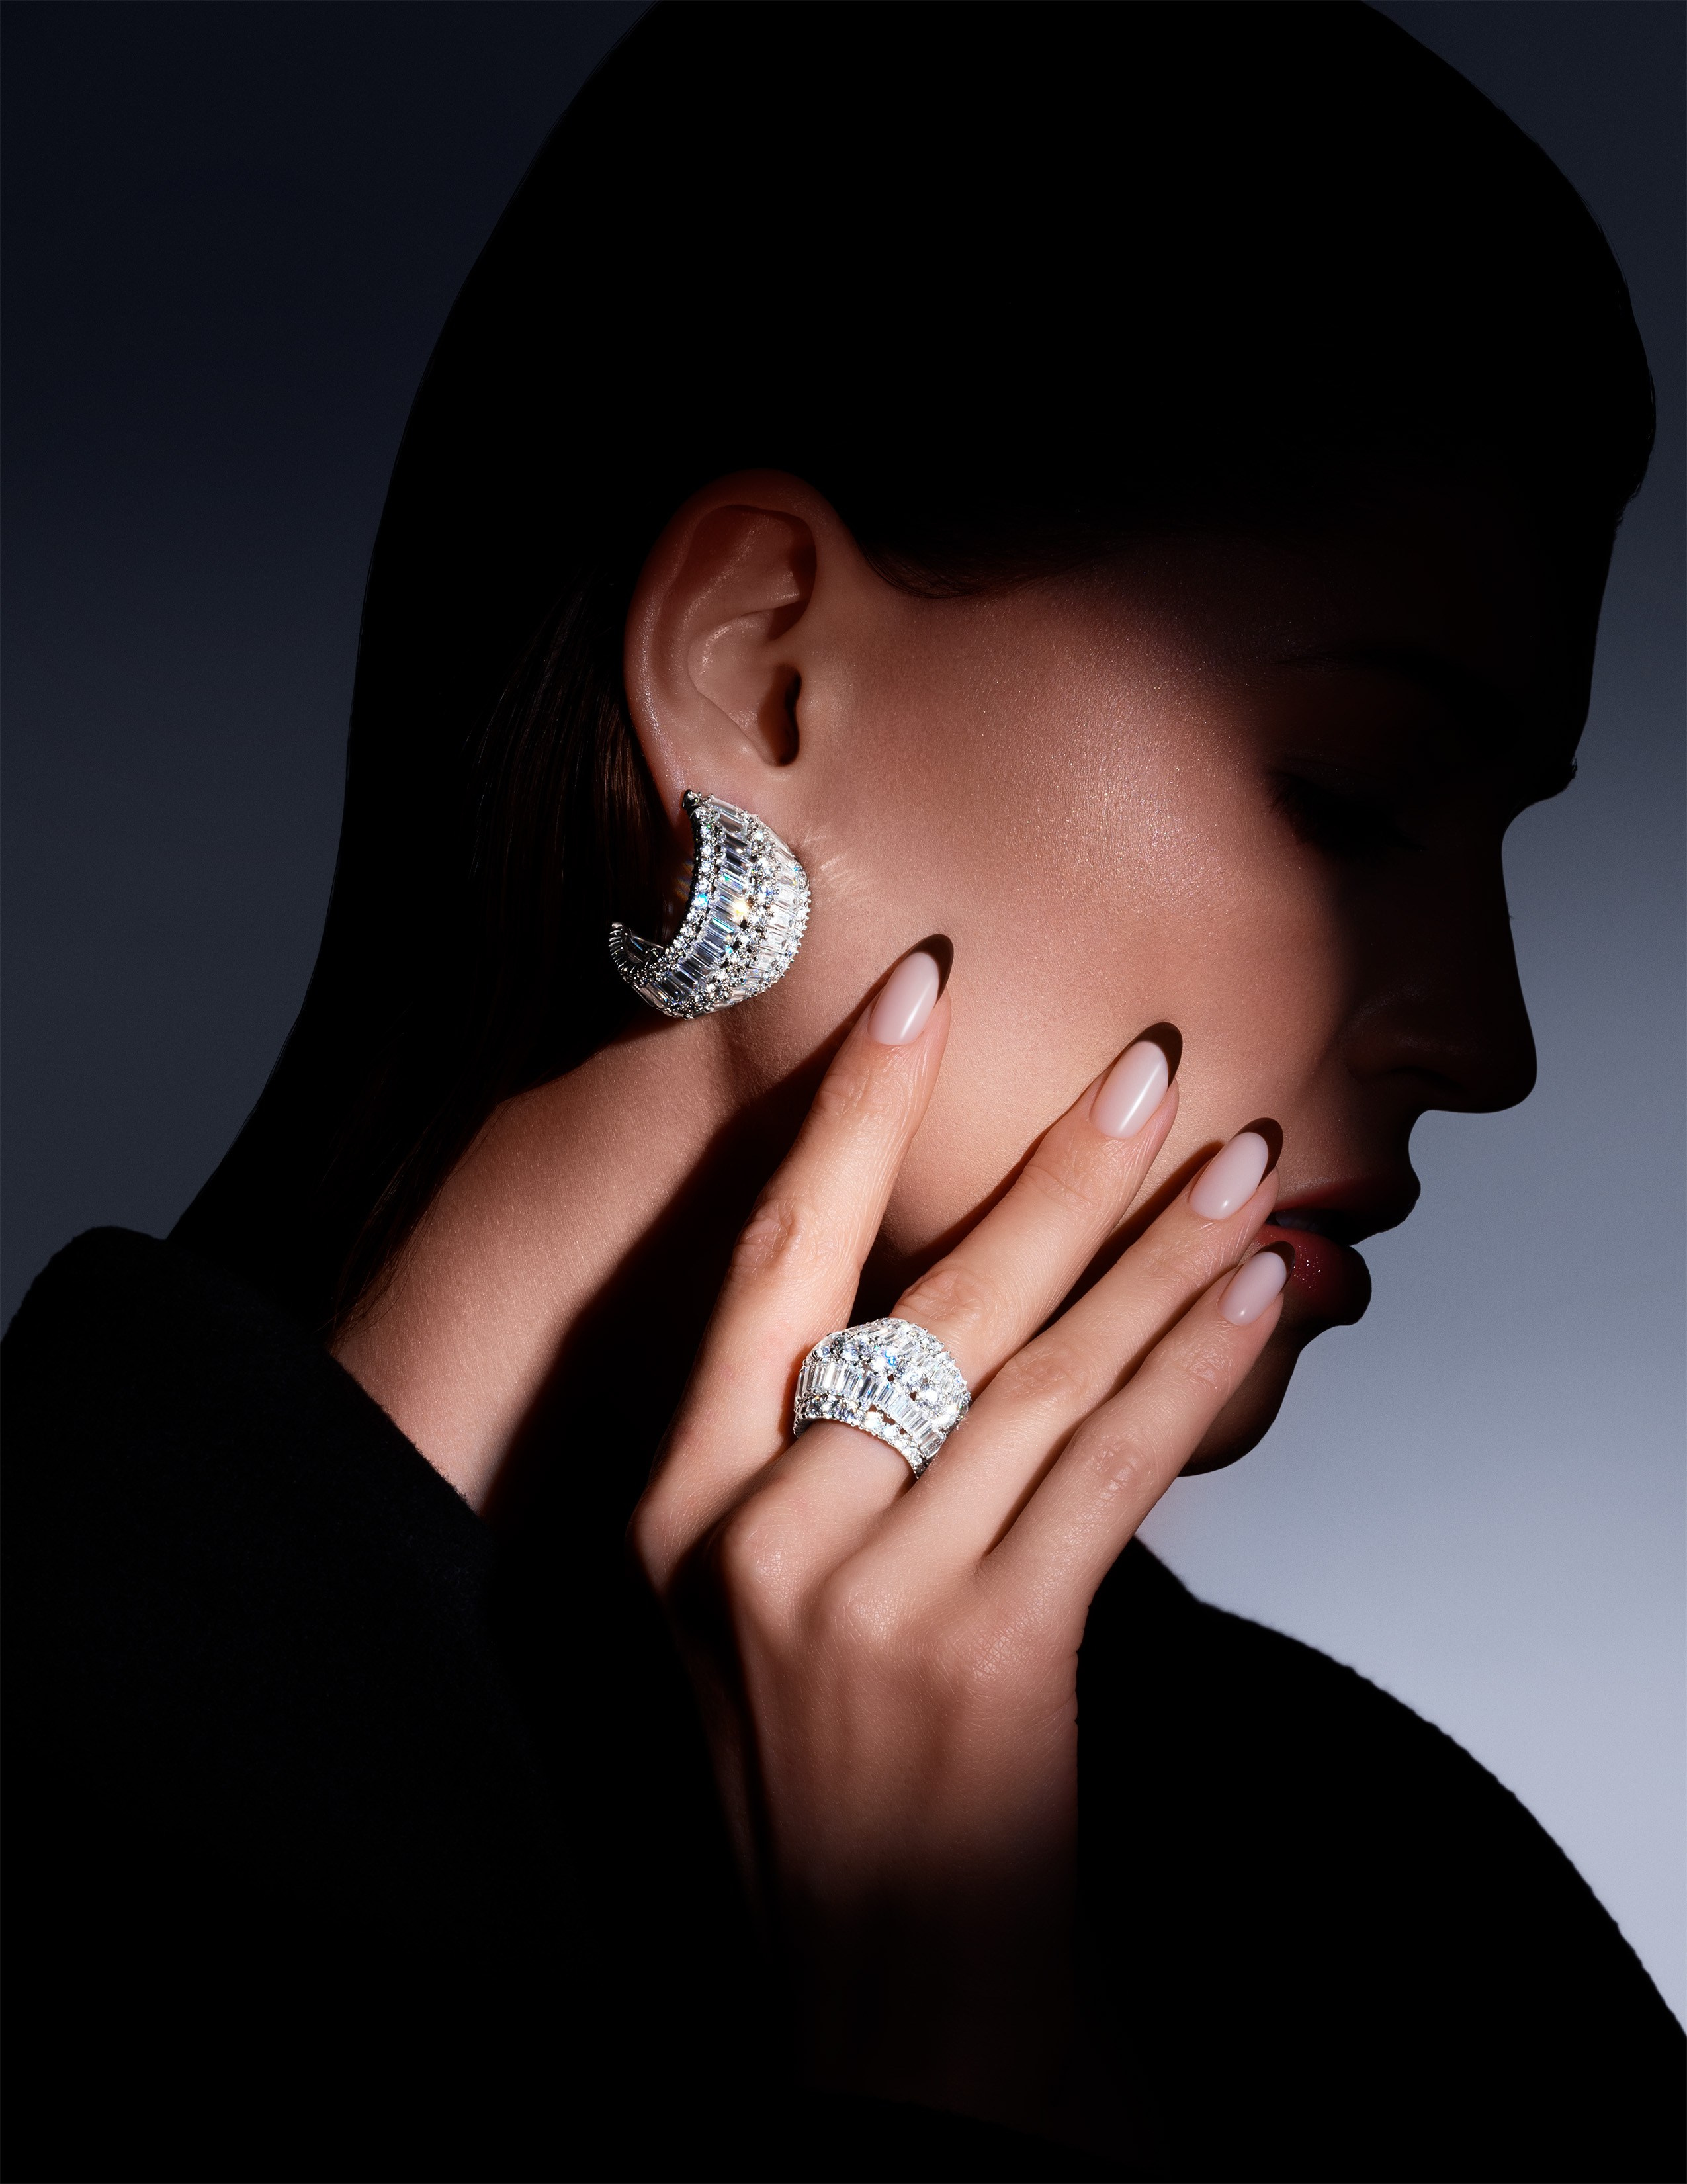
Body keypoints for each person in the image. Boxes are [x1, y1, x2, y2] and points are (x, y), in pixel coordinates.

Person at [6, 7, 1682, 2180]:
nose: (1493, 1039)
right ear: (760, 677)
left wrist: (989, 2060)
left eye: (1506, 837)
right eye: (1354, 797)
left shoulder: (1391, 1921)